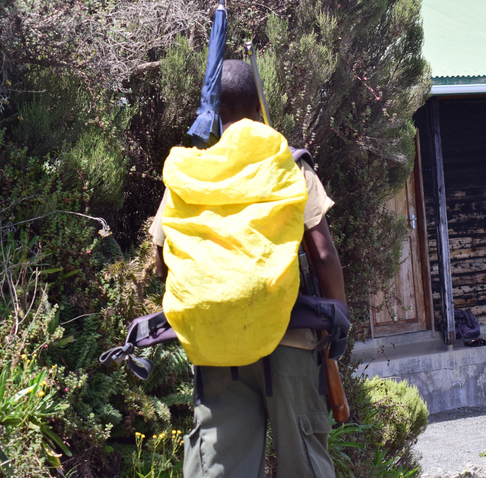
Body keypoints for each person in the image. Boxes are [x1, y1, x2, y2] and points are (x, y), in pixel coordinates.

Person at [148, 60, 346, 477]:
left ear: (214, 110)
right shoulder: (289, 165)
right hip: (289, 339)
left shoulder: (191, 174)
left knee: (219, 468)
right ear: (259, 105)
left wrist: (204, 309)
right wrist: (336, 327)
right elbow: (323, 253)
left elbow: (162, 255)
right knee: (304, 466)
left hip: (218, 348)